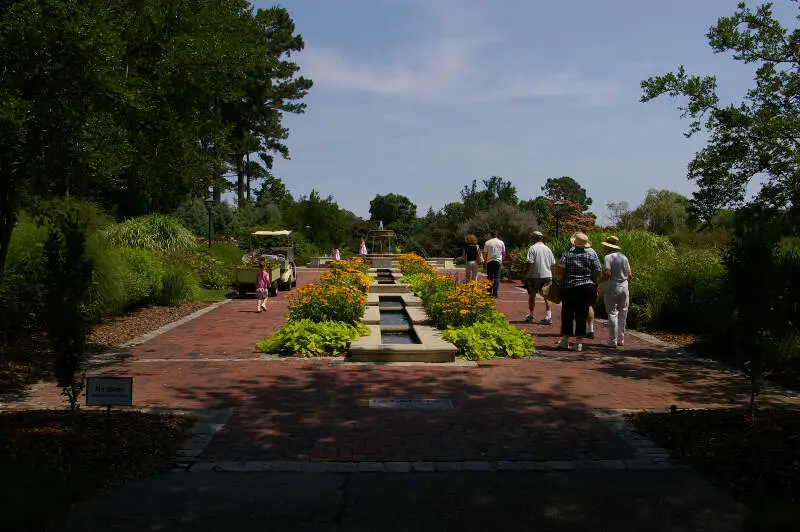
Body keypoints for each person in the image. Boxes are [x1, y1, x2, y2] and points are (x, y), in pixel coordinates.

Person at [555, 232, 601, 352]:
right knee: (582, 313)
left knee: (567, 313)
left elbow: (561, 270)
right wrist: (595, 285)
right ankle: (579, 343)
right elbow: (597, 272)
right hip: (586, 287)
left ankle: (565, 340)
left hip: (569, 287)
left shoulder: (568, 254)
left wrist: (563, 281)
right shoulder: (592, 254)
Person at [601, 235, 632, 348]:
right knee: (623, 312)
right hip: (624, 285)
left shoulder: (608, 257)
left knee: (612, 313)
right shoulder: (624, 257)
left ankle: (612, 341)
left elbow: (608, 273)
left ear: (608, 246)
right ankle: (621, 339)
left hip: (613, 285)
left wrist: (600, 282)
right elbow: (630, 274)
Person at [523, 230, 556, 324]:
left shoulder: (532, 248)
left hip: (535, 276)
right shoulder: (548, 249)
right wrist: (552, 275)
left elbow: (529, 263)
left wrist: (526, 275)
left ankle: (531, 315)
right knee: (547, 296)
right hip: (547, 275)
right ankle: (548, 316)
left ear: (534, 238)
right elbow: (553, 264)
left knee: (532, 295)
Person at [483, 230, 505, 297]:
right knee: (497, 277)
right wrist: (502, 261)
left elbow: (485, 254)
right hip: (498, 261)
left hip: (490, 261)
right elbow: (503, 253)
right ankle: (495, 293)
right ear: (497, 234)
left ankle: (489, 292)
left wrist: (484, 262)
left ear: (491, 235)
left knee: (489, 277)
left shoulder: (487, 243)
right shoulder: (501, 242)